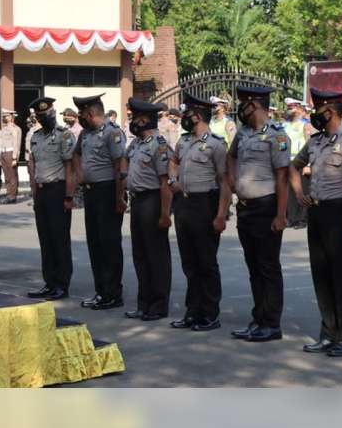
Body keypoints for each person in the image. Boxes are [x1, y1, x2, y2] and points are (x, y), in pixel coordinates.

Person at [290, 88, 342, 358]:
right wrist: (299, 193)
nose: (314, 114)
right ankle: (328, 333)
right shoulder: (315, 142)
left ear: (330, 111)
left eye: (318, 109)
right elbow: (293, 166)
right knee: (321, 275)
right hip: (318, 214)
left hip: (339, 215)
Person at [226, 86, 290, 342]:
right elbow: (231, 157)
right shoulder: (242, 133)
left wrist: (281, 214)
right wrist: (232, 179)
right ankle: (258, 318)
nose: (241, 108)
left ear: (257, 104)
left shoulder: (277, 135)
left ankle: (271, 323)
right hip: (245, 208)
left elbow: (282, 177)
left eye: (245, 103)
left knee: (268, 267)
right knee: (253, 266)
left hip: (266, 207)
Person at [168, 95, 230, 331]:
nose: (184, 117)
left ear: (198, 116)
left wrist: (221, 215)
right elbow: (173, 162)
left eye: (188, 113)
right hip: (184, 204)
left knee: (206, 262)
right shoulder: (183, 141)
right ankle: (192, 311)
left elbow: (225, 181)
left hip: (205, 203)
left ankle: (210, 313)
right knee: (189, 262)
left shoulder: (216, 144)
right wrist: (173, 180)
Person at [74, 92, 127, 310]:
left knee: (109, 244)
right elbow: (75, 155)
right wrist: (80, 176)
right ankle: (101, 291)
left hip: (107, 191)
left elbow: (120, 166)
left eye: (82, 114)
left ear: (91, 112)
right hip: (91, 192)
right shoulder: (85, 134)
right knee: (95, 243)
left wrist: (119, 197)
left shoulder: (112, 132)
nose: (80, 117)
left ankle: (113, 293)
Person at [124, 97, 173, 321]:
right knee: (140, 255)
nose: (133, 121)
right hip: (137, 201)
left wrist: (165, 213)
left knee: (156, 255)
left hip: (153, 201)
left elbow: (165, 183)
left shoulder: (159, 145)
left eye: (135, 117)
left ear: (144, 120)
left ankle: (158, 305)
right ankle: (143, 303)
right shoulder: (135, 144)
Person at [26, 97, 77, 301]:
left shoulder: (64, 135)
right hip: (42, 191)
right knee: (45, 240)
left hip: (58, 190)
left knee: (60, 239)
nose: (45, 117)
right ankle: (49, 282)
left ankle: (62, 285)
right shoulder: (35, 137)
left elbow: (70, 168)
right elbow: (33, 166)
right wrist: (34, 194)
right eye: (41, 115)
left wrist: (69, 196)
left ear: (53, 114)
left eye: (48, 114)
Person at [283, 98, 312, 229]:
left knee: (302, 190)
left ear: (299, 108)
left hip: (301, 162)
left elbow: (309, 145)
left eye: (292, 107)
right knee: (289, 191)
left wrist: (308, 164)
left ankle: (302, 218)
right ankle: (291, 217)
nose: (289, 110)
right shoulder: (284, 125)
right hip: (287, 161)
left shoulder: (305, 125)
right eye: (288, 107)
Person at [0, 109, 22, 204]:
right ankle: (8, 194)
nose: (4, 118)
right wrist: (0, 156)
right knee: (7, 176)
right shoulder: (4, 129)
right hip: (4, 153)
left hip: (11, 153)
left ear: (11, 117)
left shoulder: (16, 129)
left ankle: (12, 196)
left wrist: (15, 158)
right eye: (3, 116)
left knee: (12, 176)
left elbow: (17, 144)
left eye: (6, 116)